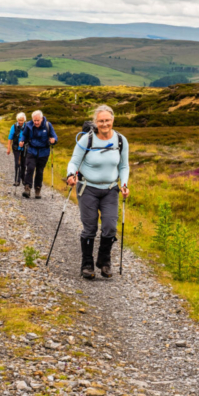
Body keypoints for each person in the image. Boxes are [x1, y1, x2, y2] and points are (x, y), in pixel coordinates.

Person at [66, 105, 130, 279]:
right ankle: (87, 264)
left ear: (113, 120)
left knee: (110, 226)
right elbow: (73, 162)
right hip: (88, 188)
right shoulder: (86, 140)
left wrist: (124, 184)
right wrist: (71, 175)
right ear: (96, 122)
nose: (104, 124)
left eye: (107, 120)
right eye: (101, 121)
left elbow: (123, 166)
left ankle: (104, 261)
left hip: (110, 189)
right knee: (90, 228)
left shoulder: (121, 141)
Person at [19, 110, 58, 199]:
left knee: (39, 171)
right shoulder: (29, 125)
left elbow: (54, 136)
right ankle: (27, 188)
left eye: (38, 120)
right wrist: (22, 140)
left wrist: (53, 140)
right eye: (34, 120)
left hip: (44, 152)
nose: (36, 122)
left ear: (42, 119)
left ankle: (37, 189)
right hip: (31, 150)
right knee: (30, 168)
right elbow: (24, 135)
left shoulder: (48, 125)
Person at [7, 112, 27, 186]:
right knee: (17, 164)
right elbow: (10, 138)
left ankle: (23, 179)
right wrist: (8, 148)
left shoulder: (27, 126)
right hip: (16, 148)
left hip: (25, 148)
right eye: (19, 120)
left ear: (24, 120)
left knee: (24, 164)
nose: (20, 122)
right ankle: (17, 180)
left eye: (21, 120)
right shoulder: (14, 126)